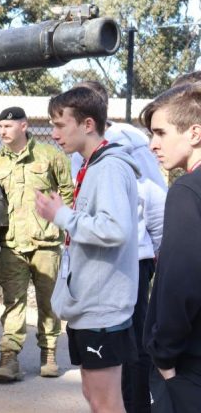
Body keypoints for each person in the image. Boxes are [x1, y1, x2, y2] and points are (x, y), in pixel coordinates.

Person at [35, 86, 139, 413]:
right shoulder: (91, 165)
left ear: (88, 124)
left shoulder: (109, 167)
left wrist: (62, 216)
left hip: (102, 311)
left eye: (60, 125)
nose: (53, 134)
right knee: (94, 397)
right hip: (88, 307)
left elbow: (114, 229)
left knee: (106, 403)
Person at [70, 81, 166, 413]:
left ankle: (136, 405)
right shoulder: (80, 152)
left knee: (133, 347)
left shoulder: (127, 144)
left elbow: (153, 196)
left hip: (131, 259)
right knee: (102, 367)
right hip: (95, 265)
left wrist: (154, 251)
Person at [0, 106, 73, 382]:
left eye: (8, 126)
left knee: (48, 302)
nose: (3, 131)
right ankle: (9, 358)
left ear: (23, 126)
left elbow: (68, 192)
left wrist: (65, 225)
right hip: (13, 244)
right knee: (13, 302)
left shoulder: (50, 156)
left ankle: (48, 353)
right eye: (0, 127)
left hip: (46, 244)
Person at [141, 83, 201, 413]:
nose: (153, 145)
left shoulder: (187, 192)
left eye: (161, 133)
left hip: (189, 366)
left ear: (194, 133)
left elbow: (181, 285)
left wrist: (164, 358)